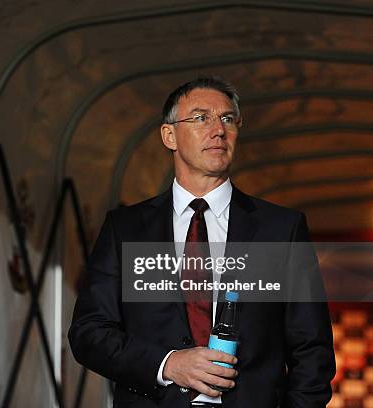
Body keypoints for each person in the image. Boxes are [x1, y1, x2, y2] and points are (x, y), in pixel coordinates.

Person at [68, 76, 335, 407]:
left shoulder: (281, 229)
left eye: (227, 119)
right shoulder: (126, 229)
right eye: (201, 117)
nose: (218, 129)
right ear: (169, 136)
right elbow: (89, 334)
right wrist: (168, 364)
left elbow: (312, 349)